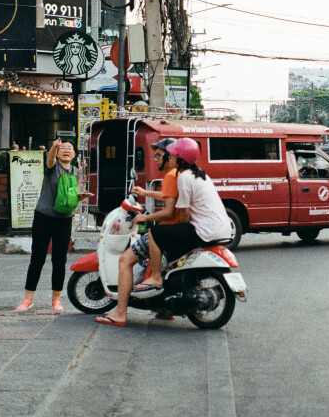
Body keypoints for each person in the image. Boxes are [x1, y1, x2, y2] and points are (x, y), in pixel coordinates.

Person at [95, 138, 232, 326]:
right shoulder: (200, 175)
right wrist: (146, 194)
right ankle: (164, 306)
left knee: (149, 239)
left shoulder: (180, 176)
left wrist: (151, 221)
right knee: (162, 236)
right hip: (221, 229)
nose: (160, 158)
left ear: (176, 158)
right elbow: (174, 201)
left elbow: (181, 214)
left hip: (203, 230)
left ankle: (129, 304)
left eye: (167, 155)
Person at [95, 138, 181, 327]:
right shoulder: (178, 174)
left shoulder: (170, 175)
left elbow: (170, 210)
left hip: (167, 231)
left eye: (158, 156)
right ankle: (164, 308)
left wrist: (144, 218)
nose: (155, 160)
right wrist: (145, 193)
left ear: (170, 156)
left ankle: (120, 313)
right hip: (179, 231)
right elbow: (169, 197)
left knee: (125, 260)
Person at [17, 139, 88, 312]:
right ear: (57, 153)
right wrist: (54, 146)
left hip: (64, 219)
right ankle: (28, 299)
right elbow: (49, 160)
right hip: (44, 216)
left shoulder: (76, 171)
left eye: (69, 149)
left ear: (74, 154)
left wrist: (80, 197)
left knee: (59, 260)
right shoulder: (52, 166)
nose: (65, 150)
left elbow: (72, 194)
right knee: (38, 258)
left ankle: (56, 299)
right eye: (62, 148)